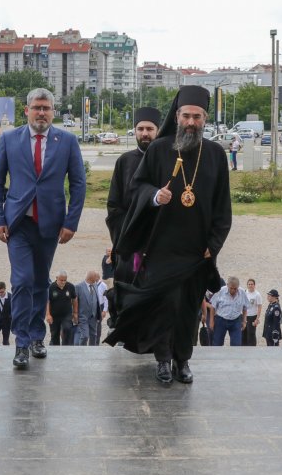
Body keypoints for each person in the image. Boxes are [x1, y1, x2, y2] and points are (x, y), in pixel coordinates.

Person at [105, 85, 231, 384]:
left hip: (196, 250)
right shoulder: (160, 149)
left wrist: (213, 246)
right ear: (177, 116)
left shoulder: (214, 154)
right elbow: (137, 186)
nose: (190, 122)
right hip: (160, 246)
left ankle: (182, 360)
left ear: (205, 119)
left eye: (197, 117)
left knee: (188, 309)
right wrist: (153, 196)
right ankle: (162, 360)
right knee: (163, 307)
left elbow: (223, 207)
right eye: (186, 116)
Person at [0, 88, 86, 369]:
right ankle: (21, 343)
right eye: (36, 107)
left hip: (50, 224)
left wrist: (71, 222)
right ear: (26, 110)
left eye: (46, 108)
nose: (41, 113)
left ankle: (36, 337)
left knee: (41, 281)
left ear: (53, 112)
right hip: (18, 224)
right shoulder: (9, 139)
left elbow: (78, 184)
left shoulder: (66, 140)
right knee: (21, 281)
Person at [106, 107, 160, 323]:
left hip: (159, 243)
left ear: (158, 130)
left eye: (149, 129)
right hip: (130, 244)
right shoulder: (124, 161)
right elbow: (113, 206)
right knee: (128, 299)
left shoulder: (168, 160)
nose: (145, 133)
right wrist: (125, 236)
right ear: (135, 131)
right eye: (140, 129)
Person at [210, 277, 248, 345]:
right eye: (231, 288)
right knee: (217, 344)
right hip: (221, 320)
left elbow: (245, 308)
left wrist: (244, 321)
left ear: (238, 286)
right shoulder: (220, 291)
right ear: (227, 285)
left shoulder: (242, 292)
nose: (233, 290)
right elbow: (213, 307)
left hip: (236, 321)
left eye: (235, 289)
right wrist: (211, 321)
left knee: (236, 344)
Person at [74, 270, 108, 346]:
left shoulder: (95, 285)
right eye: (95, 278)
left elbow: (97, 300)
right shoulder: (78, 287)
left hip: (93, 317)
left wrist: (100, 313)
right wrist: (75, 314)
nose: (97, 280)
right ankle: (81, 350)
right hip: (83, 317)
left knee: (94, 336)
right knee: (85, 336)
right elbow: (75, 302)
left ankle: (92, 352)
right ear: (91, 278)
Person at [46, 271, 78, 346]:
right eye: (61, 280)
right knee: (54, 335)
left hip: (67, 315)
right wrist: (48, 314)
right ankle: (55, 350)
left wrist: (75, 312)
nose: (63, 282)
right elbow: (47, 302)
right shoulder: (51, 287)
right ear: (56, 278)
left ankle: (65, 348)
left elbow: (74, 299)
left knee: (67, 329)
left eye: (65, 280)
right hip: (54, 316)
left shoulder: (70, 286)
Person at [240, 278, 263, 346]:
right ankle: (243, 348)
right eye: (249, 284)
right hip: (244, 316)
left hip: (252, 316)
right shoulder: (244, 292)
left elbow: (259, 307)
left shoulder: (257, 294)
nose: (250, 285)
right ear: (247, 285)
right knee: (243, 332)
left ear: (254, 285)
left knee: (251, 333)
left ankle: (252, 348)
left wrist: (257, 319)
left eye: (252, 284)